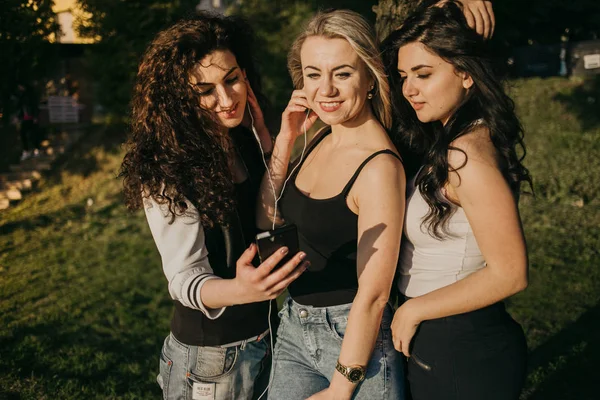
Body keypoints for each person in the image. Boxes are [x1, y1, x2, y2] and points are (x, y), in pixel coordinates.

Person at [119, 14, 309, 400]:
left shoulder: (239, 139)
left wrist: (273, 142)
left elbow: (268, 213)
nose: (226, 100)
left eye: (232, 79)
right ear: (179, 98)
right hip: (212, 358)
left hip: (268, 339)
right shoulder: (166, 169)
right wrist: (242, 288)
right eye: (205, 90)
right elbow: (184, 280)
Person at [381, 1, 532, 399]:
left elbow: (511, 272)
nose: (408, 89)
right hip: (444, 335)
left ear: (465, 73)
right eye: (404, 76)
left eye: (423, 74)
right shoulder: (449, 139)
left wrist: (414, 310)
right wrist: (441, 9)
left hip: (461, 344)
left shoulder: (466, 157)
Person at [257, 10, 407, 400]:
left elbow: (374, 294)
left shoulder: (378, 167)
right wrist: (286, 140)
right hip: (294, 328)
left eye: (342, 73)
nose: (326, 89)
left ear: (370, 77)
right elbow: (267, 218)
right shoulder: (321, 136)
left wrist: (342, 389)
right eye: (313, 74)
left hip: (355, 341)